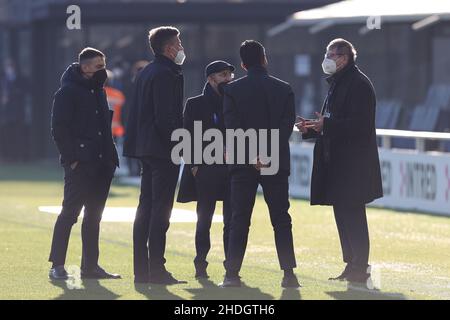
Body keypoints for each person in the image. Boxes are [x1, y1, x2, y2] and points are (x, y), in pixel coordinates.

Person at [296, 38, 383, 283]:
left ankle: (360, 266)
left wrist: (327, 124)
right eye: (327, 53)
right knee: (343, 216)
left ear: (345, 58)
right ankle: (351, 264)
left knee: (353, 215)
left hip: (352, 165)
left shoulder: (359, 84)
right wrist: (312, 129)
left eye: (332, 54)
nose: (328, 59)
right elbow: (333, 122)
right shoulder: (338, 83)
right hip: (337, 162)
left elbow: (360, 126)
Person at [220, 40, 300, 288]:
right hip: (274, 159)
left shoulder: (232, 90)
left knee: (239, 218)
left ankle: (232, 274)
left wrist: (252, 155)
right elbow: (286, 126)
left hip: (244, 162)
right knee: (281, 218)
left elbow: (233, 128)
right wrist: (266, 154)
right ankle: (289, 274)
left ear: (243, 64)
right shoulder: (284, 88)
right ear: (264, 59)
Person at [48, 47, 120, 280]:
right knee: (70, 213)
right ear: (85, 67)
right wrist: (72, 159)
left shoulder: (98, 91)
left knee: (94, 216)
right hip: (81, 163)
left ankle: (90, 267)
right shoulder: (67, 92)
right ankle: (57, 265)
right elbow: (59, 129)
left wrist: (110, 158)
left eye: (104, 65)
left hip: (102, 163)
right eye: (99, 66)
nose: (103, 70)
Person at [123, 26, 186, 285]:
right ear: (169, 48)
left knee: (146, 207)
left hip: (146, 148)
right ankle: (157, 270)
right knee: (161, 210)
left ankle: (142, 271)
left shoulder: (147, 71)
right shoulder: (165, 73)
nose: (182, 47)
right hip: (162, 150)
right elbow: (165, 117)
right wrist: (179, 142)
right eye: (179, 43)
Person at [177, 61, 235, 279]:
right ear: (210, 79)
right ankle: (200, 263)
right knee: (204, 219)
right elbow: (186, 137)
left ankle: (232, 266)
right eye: (223, 75)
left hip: (232, 169)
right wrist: (194, 166)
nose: (228, 79)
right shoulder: (195, 104)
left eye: (230, 74)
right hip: (206, 169)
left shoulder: (236, 101)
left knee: (232, 220)